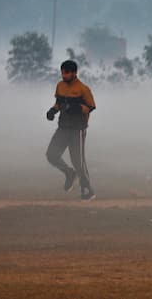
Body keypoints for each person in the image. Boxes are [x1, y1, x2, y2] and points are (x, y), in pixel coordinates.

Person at [45, 60, 97, 201]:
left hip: (77, 129)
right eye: (62, 72)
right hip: (63, 127)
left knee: (78, 161)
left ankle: (87, 189)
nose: (64, 75)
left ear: (74, 73)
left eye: (66, 72)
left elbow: (91, 106)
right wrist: (52, 111)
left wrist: (77, 109)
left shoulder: (83, 89)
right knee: (51, 155)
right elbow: (59, 103)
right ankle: (69, 173)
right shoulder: (60, 86)